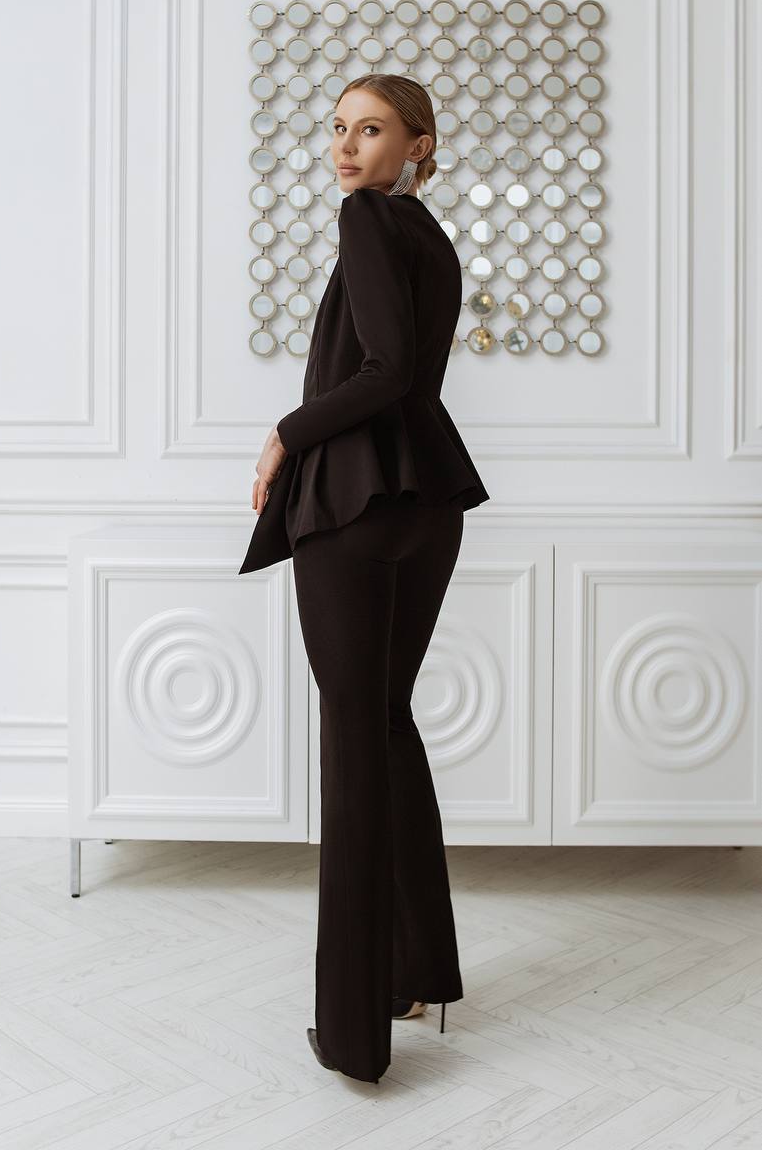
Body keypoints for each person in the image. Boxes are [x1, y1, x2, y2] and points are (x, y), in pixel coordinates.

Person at [239, 72, 490, 1083]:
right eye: (338, 129)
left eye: (371, 128)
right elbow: (411, 376)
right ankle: (414, 971)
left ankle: (350, 1035)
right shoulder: (426, 236)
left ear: (419, 145)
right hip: (425, 506)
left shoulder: (365, 220)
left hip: (352, 506)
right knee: (385, 726)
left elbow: (384, 370)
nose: (346, 147)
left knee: (355, 745)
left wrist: (281, 434)